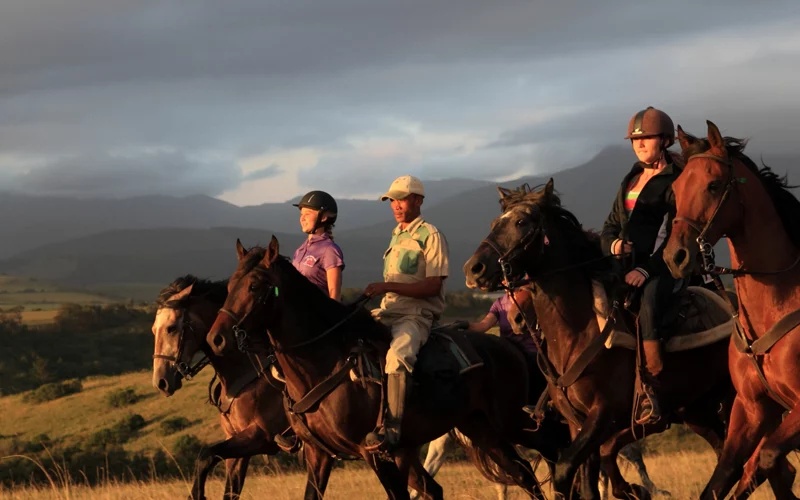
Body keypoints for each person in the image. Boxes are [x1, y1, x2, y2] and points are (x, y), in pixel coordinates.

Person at [600, 106, 683, 425]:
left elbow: (674, 234)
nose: (639, 144)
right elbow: (610, 225)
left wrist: (646, 270)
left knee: (648, 303)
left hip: (665, 268)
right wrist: (614, 244)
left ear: (664, 140)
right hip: (623, 266)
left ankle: (652, 390)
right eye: (635, 140)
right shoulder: (631, 178)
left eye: (646, 138)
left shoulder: (676, 179)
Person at [362, 175, 450, 453]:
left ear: (418, 200)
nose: (396, 205)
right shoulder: (397, 235)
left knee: (398, 357)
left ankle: (393, 429)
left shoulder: (431, 235)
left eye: (401, 199)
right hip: (388, 310)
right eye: (392, 200)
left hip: (416, 314)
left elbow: (433, 285)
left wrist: (386, 285)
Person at [291, 190, 345, 301]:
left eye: (307, 214)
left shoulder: (329, 250)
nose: (302, 218)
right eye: (301, 214)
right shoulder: (300, 250)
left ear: (323, 217)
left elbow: (334, 295)